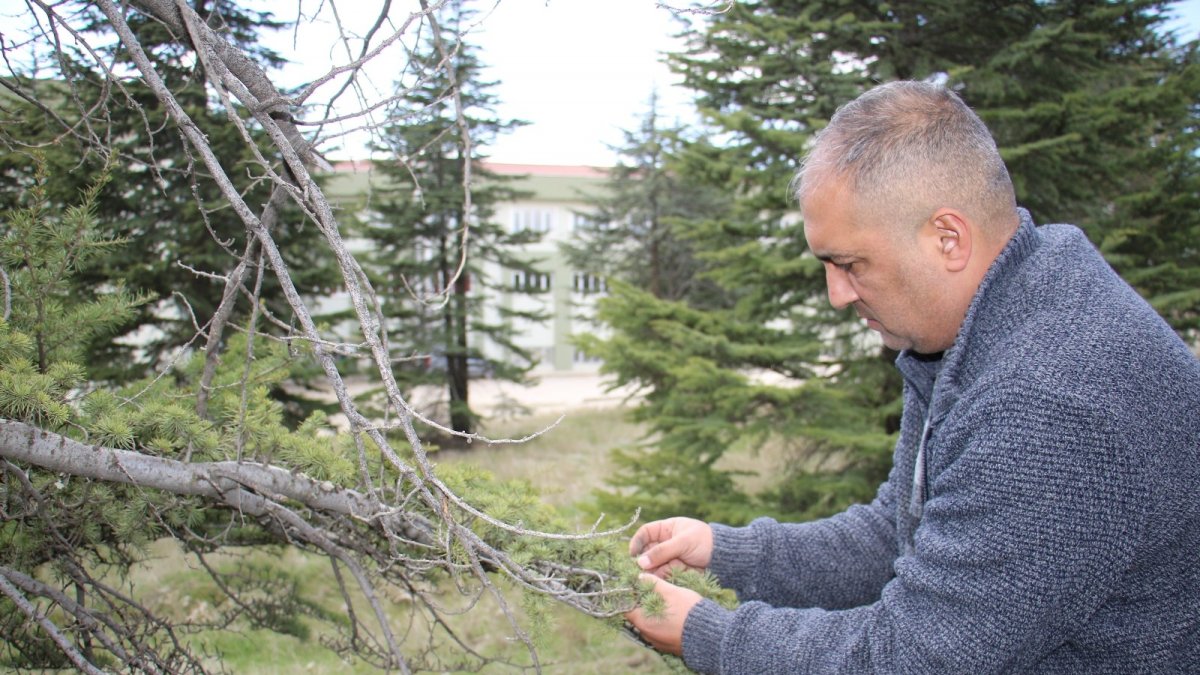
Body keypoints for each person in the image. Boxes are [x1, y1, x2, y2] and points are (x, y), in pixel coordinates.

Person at [623, 80, 1200, 672]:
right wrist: (728, 554)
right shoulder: (990, 322)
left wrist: (705, 632)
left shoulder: (1050, 400)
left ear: (947, 239)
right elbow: (901, 534)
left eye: (850, 264)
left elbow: (916, 656)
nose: (837, 294)